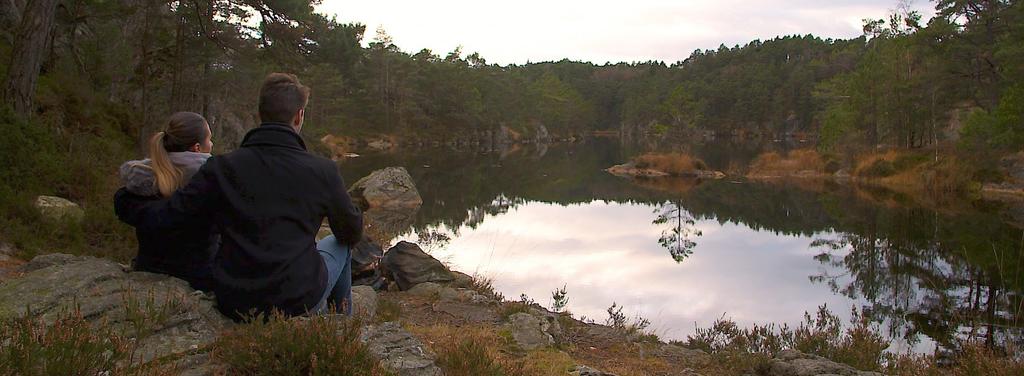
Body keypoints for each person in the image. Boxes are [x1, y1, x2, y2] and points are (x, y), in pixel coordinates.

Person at [115, 73, 363, 320]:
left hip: (235, 299)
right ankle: (340, 327)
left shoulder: (221, 168)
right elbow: (350, 233)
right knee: (338, 244)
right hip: (297, 298)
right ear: (299, 116)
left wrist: (125, 200)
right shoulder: (323, 170)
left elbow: (172, 213)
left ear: (260, 114)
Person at [118, 111, 217, 291]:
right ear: (197, 148)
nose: (212, 144)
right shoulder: (209, 181)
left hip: (148, 269)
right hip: (197, 280)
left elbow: (125, 206)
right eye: (209, 139)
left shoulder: (142, 179)